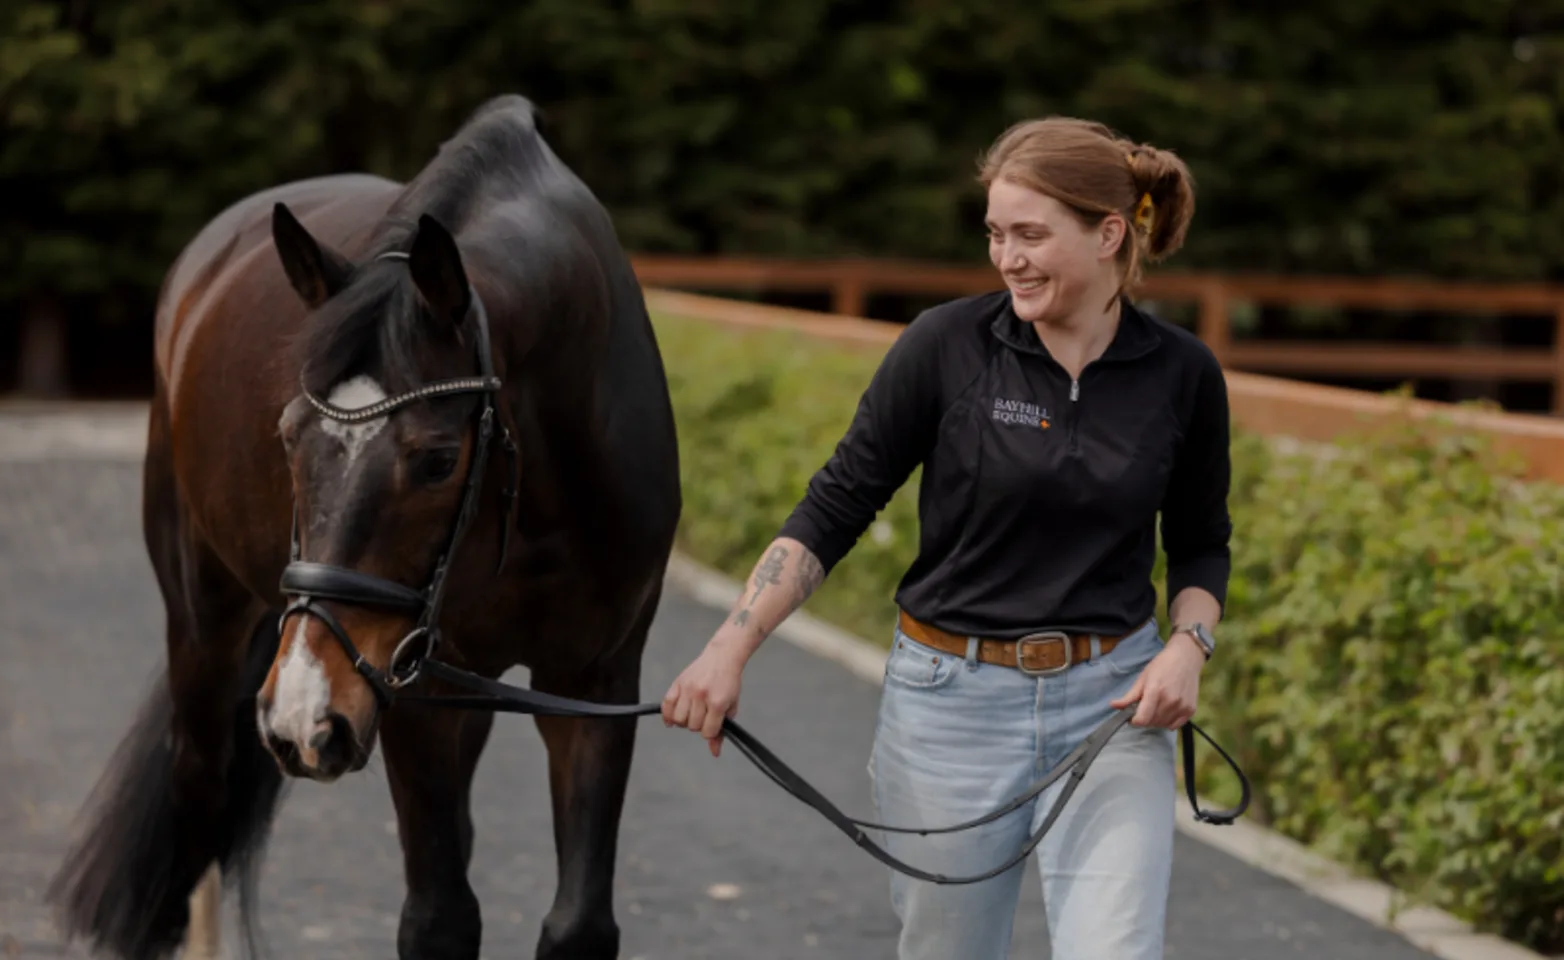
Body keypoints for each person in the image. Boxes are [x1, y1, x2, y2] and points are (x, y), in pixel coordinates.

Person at [661, 116, 1232, 960]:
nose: (1008, 258)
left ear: (1109, 233)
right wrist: (727, 649)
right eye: (997, 233)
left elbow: (1200, 541)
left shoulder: (1183, 375)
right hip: (949, 709)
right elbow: (834, 507)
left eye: (1032, 235)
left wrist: (1189, 644)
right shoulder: (946, 347)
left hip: (1111, 704)